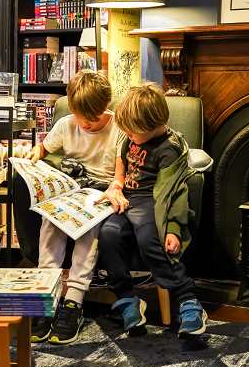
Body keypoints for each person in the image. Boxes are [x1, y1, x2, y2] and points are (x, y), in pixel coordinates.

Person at [14, 70, 125, 345]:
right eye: (80, 117)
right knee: (51, 222)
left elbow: (120, 174)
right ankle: (45, 298)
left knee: (88, 230)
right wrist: (35, 155)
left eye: (94, 118)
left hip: (100, 194)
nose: (86, 124)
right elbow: (44, 147)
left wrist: (117, 186)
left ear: (106, 107)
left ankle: (73, 302)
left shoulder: (119, 128)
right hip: (71, 189)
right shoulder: (65, 125)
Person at [97, 82, 208, 337]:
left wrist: (173, 230)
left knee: (150, 240)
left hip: (152, 203)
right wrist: (116, 185)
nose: (127, 134)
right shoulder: (131, 137)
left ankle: (187, 300)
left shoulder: (168, 148)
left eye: (132, 131)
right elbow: (121, 165)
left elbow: (176, 192)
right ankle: (127, 299)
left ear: (150, 125)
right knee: (108, 235)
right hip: (126, 200)